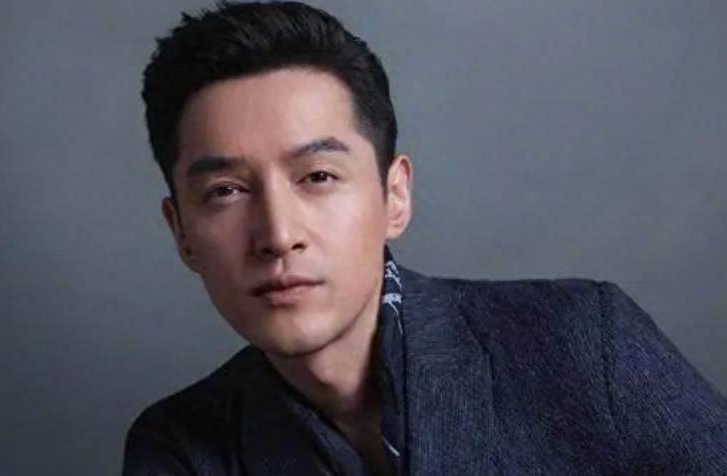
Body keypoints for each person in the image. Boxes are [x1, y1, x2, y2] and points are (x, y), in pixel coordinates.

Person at [123, 2, 727, 474]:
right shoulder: (181, 449)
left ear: (396, 196)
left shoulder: (584, 340)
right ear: (182, 233)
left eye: (319, 177)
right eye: (226, 191)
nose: (279, 235)